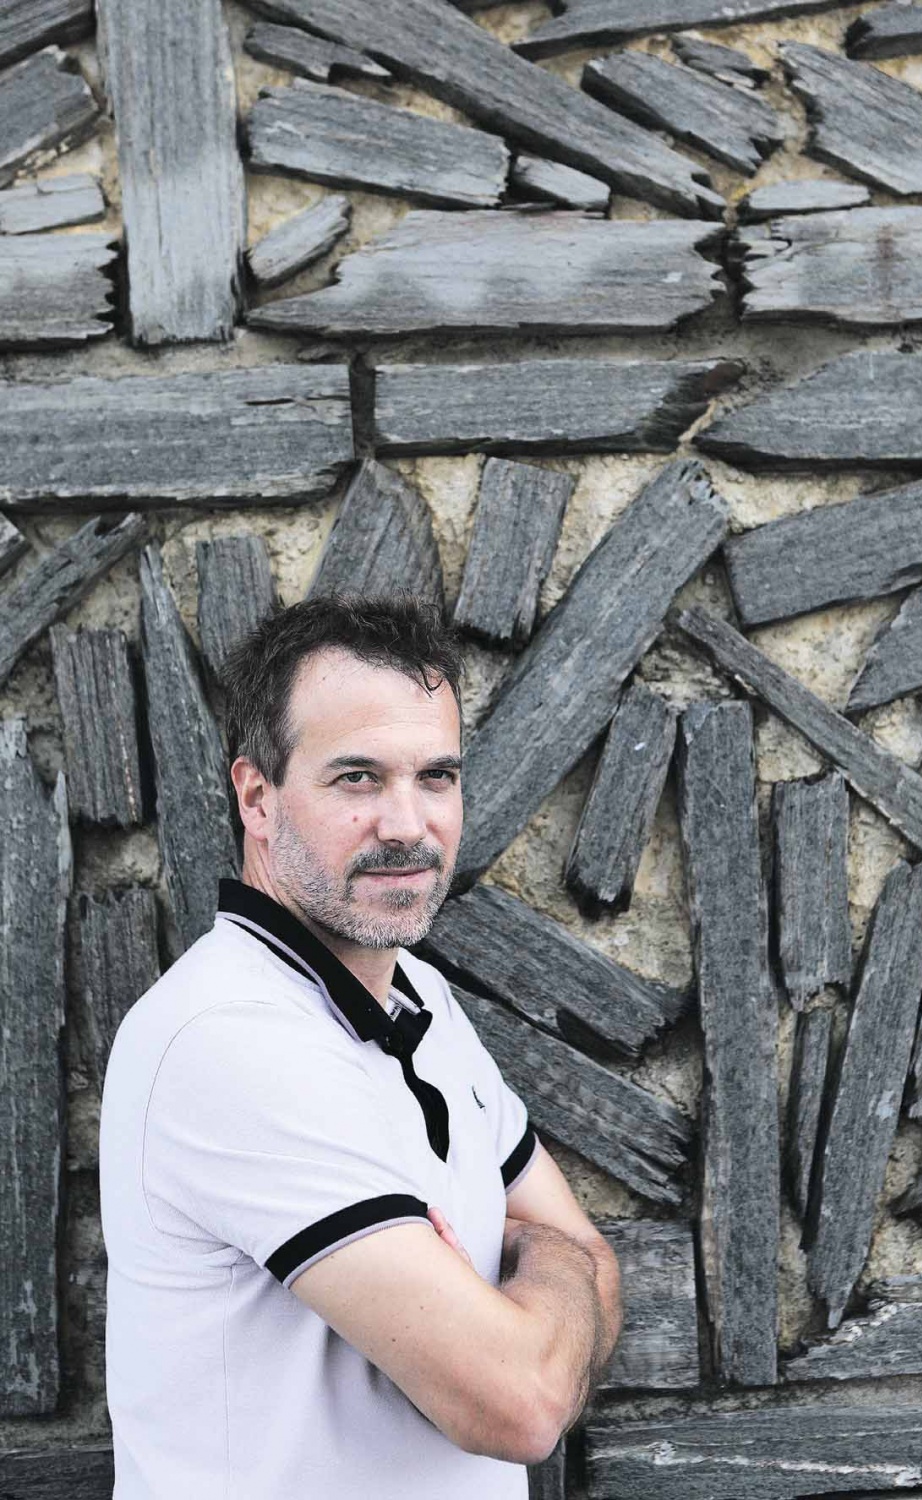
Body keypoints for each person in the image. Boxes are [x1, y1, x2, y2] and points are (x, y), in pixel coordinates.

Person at [99, 591, 622, 1500]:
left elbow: (587, 1253)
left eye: (437, 776)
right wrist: (545, 1265)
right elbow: (524, 1403)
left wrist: (548, 1259)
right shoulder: (226, 1039)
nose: (409, 825)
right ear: (257, 798)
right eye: (358, 779)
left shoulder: (420, 995)